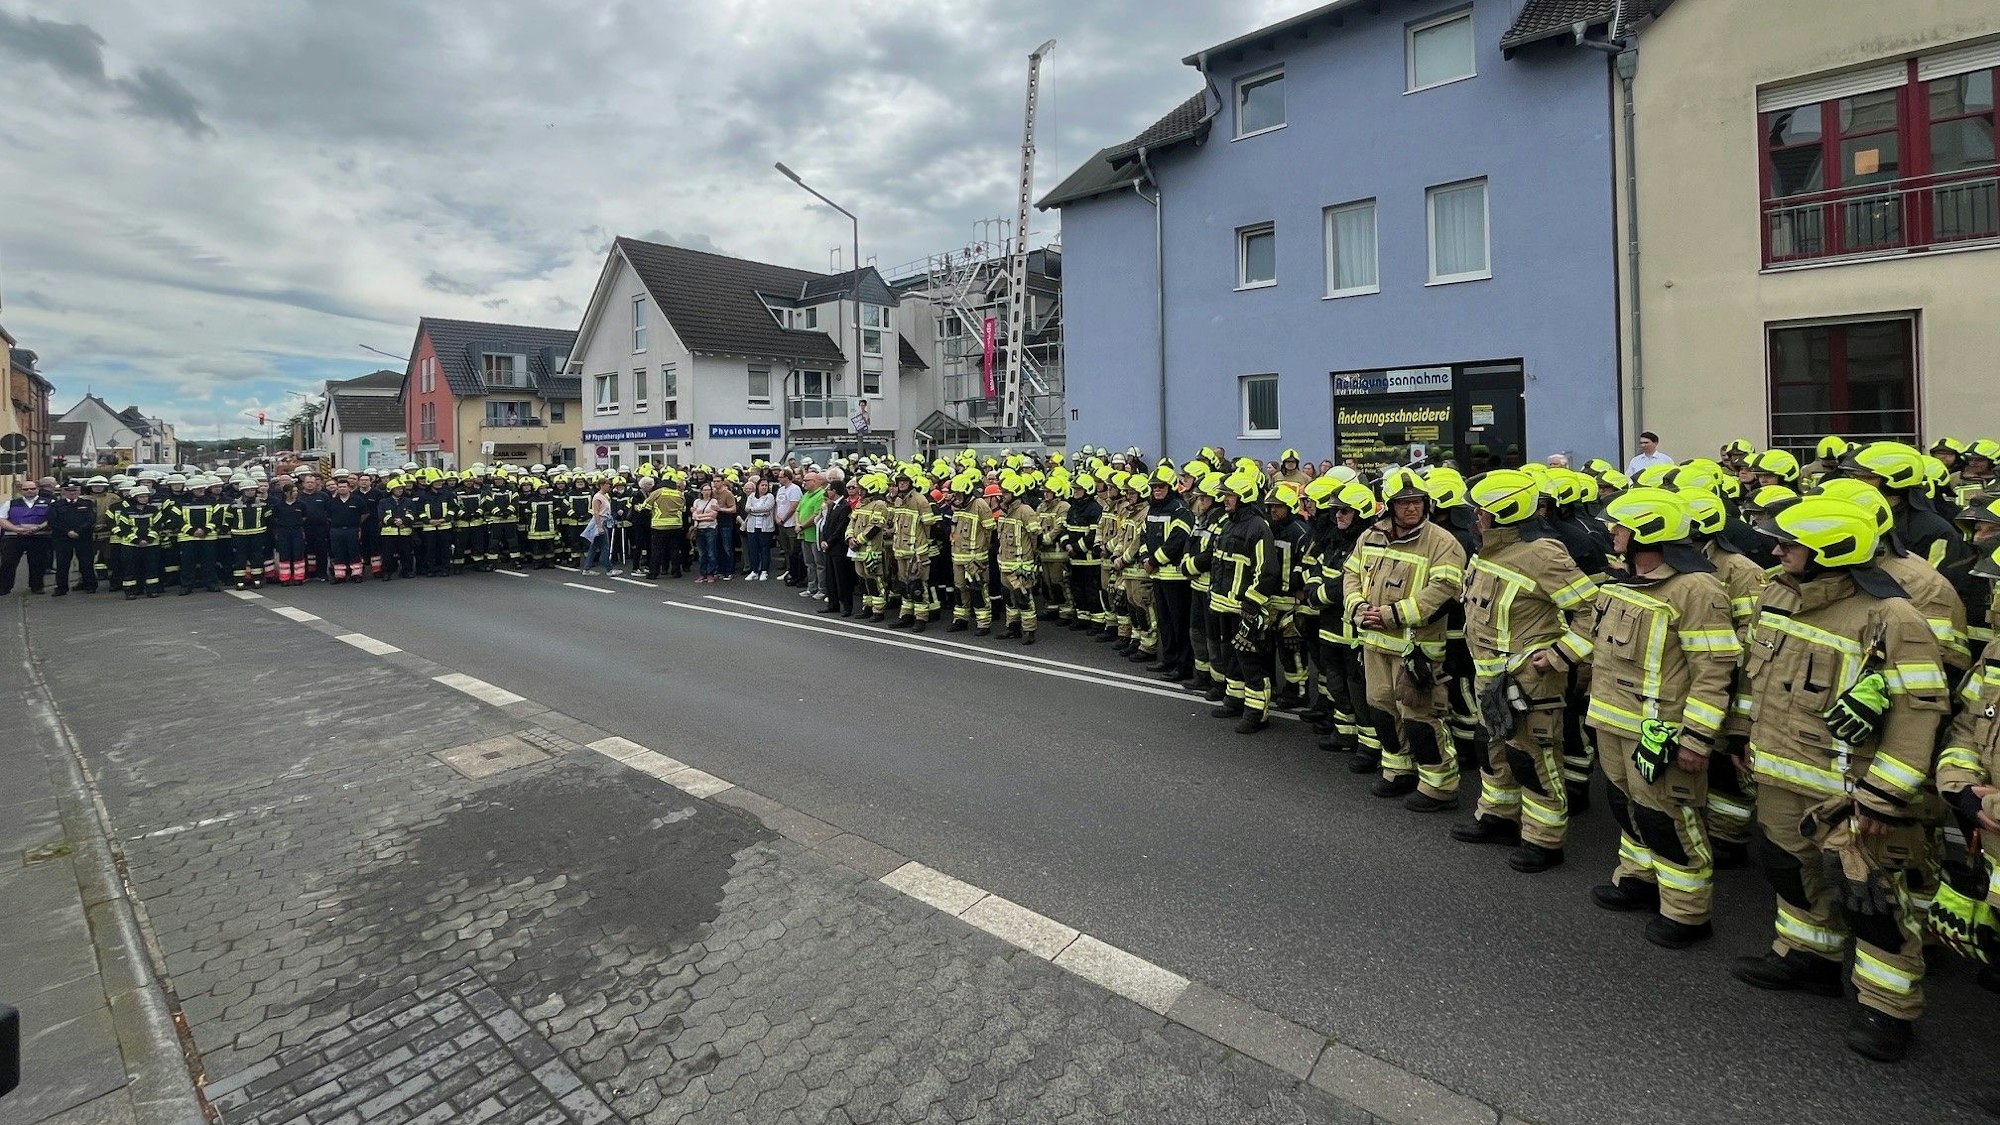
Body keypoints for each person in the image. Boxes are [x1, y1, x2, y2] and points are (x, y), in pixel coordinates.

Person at [1726, 494, 1950, 1062]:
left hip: (1848, 790)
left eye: (1789, 543)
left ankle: (1887, 1007)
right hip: (1777, 771)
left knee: (1868, 897)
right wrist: (1740, 736)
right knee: (1787, 867)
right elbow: (1757, 673)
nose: (1776, 549)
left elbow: (1918, 711)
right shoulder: (1779, 594)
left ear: (1832, 552)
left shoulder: (1891, 617)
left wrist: (1884, 797)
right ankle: (1807, 956)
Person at [1586, 487, 1740, 950]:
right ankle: (1638, 877)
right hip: (1612, 720)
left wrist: (1696, 737)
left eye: (1621, 527)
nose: (1612, 533)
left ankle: (1687, 912)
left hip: (1660, 730)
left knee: (1667, 818)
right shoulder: (1623, 580)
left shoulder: (1697, 590)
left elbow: (1714, 672)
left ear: (1648, 534)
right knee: (1625, 804)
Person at [1450, 469, 1600, 873]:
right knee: (1492, 749)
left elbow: (1593, 611)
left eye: (1480, 512)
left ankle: (1544, 840)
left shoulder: (1543, 553)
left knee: (1531, 759)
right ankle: (1497, 816)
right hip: (1490, 676)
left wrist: (1559, 655)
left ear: (1502, 514)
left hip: (1529, 681)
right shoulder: (1489, 550)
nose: (1474, 518)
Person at [1348, 468, 1469, 807]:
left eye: (1417, 501)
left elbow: (1444, 591)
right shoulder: (1370, 536)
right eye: (1403, 503)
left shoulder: (1442, 543)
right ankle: (1397, 771)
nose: (1411, 508)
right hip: (1374, 643)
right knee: (1383, 710)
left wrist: (1392, 615)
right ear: (1389, 506)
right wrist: (1357, 607)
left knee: (1421, 718)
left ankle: (1438, 787)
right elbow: (1351, 574)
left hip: (1417, 649)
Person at [0, 477, 56, 595]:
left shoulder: (50, 503)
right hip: (13, 538)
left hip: (39, 537)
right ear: (21, 491)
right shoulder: (10, 503)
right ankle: (4, 587)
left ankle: (37, 587)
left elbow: (52, 518)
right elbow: (2, 519)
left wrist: (38, 527)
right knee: (7, 563)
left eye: (32, 488)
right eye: (26, 489)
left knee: (38, 563)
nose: (29, 491)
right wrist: (17, 529)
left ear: (37, 489)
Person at [48, 480, 99, 596]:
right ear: (63, 492)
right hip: (62, 538)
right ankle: (61, 588)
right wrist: (68, 532)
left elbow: (90, 520)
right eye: (68, 490)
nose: (71, 493)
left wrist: (78, 531)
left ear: (79, 491)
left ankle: (90, 585)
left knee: (86, 563)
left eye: (74, 490)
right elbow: (53, 521)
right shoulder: (56, 505)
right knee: (62, 564)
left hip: (83, 538)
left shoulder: (87, 503)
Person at [822, 477, 858, 615]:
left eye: (829, 489)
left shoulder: (844, 506)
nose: (827, 492)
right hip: (829, 548)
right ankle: (833, 604)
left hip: (838, 548)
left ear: (835, 491)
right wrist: (824, 539)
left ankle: (847, 606)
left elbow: (840, 528)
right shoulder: (832, 506)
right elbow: (827, 525)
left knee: (842, 578)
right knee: (830, 578)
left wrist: (829, 542)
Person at [795, 471, 827, 598]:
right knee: (809, 563)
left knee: (819, 563)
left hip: (814, 535)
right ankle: (811, 587)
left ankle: (822, 589)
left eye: (806, 481)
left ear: (815, 481)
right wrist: (798, 524)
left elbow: (816, 515)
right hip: (804, 534)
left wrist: (802, 526)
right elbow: (798, 510)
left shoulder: (820, 495)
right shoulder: (807, 494)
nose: (804, 483)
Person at [581, 477, 620, 576]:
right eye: (608, 484)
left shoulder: (605, 496)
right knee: (605, 546)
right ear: (602, 485)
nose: (609, 486)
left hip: (604, 521)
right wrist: (599, 527)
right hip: (600, 523)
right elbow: (596, 513)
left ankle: (587, 568)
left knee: (594, 546)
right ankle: (609, 569)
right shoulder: (597, 497)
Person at [742, 478, 777, 581]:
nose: (764, 487)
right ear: (758, 486)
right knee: (753, 549)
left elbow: (767, 508)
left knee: (764, 549)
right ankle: (754, 571)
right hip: (752, 527)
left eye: (766, 485)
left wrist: (753, 510)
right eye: (762, 485)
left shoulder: (770, 497)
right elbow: (747, 508)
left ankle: (764, 570)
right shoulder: (752, 496)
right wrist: (758, 511)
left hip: (765, 528)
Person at [775, 469, 804, 585]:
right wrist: (777, 517)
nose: (779, 479)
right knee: (785, 548)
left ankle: (794, 571)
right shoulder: (781, 489)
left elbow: (793, 507)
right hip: (781, 524)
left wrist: (783, 519)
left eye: (781, 477)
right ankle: (788, 569)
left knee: (793, 549)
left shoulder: (795, 489)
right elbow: (778, 505)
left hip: (791, 523)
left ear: (787, 477)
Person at [691, 483, 720, 583]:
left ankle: (711, 573)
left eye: (709, 490)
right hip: (699, 529)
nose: (707, 492)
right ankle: (703, 573)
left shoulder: (713, 501)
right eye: (705, 490)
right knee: (702, 553)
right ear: (701, 491)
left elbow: (713, 516)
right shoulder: (697, 501)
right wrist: (701, 517)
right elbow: (694, 515)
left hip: (710, 528)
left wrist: (700, 517)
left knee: (711, 552)